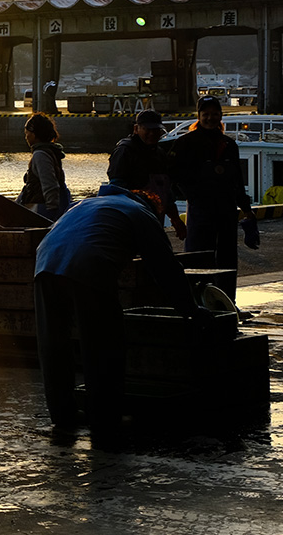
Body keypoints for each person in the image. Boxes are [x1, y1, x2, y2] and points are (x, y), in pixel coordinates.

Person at [34, 184, 202, 448]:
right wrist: (190, 310)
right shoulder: (141, 213)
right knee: (103, 344)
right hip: (89, 264)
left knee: (54, 344)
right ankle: (105, 418)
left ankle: (63, 414)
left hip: (45, 262)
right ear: (151, 206)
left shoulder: (85, 204)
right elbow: (165, 268)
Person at [164, 95, 258, 297]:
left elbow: (237, 181)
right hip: (200, 208)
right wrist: (189, 193)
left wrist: (247, 211)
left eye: (215, 114)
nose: (210, 118)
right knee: (198, 256)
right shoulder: (184, 143)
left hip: (226, 208)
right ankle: (197, 301)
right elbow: (171, 175)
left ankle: (227, 301)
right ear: (198, 116)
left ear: (220, 116)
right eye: (205, 114)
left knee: (227, 259)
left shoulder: (229, 144)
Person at [107, 109, 186, 239]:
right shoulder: (124, 151)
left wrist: (176, 220)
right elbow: (115, 187)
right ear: (136, 129)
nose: (152, 134)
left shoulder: (159, 153)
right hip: (132, 217)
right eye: (147, 130)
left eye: (156, 130)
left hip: (155, 217)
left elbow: (166, 190)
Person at [17, 112, 72, 220]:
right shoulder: (51, 152)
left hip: (41, 209)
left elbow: (50, 184)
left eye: (27, 133)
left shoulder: (40, 155)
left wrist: (51, 214)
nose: (26, 137)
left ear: (34, 134)